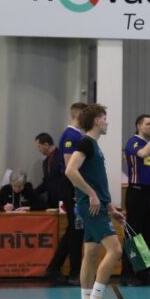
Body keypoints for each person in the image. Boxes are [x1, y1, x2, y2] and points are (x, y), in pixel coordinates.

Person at [65, 104, 126, 299]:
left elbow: (97, 180)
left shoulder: (94, 146)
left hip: (98, 206)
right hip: (91, 207)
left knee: (91, 253)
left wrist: (110, 208)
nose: (107, 122)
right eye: (105, 118)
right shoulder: (85, 143)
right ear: (97, 121)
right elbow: (70, 170)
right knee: (115, 250)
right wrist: (91, 194)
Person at [122, 114, 150, 286]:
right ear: (138, 126)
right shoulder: (134, 142)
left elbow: (147, 168)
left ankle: (144, 273)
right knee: (134, 235)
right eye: (148, 124)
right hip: (136, 192)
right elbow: (143, 153)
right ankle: (128, 273)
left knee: (149, 234)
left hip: (149, 193)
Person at [48, 103, 88, 284]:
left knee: (74, 229)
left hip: (75, 186)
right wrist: (78, 189)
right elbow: (69, 166)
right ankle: (74, 272)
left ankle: (54, 268)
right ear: (80, 115)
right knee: (76, 229)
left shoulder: (79, 135)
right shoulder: (71, 135)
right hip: (71, 186)